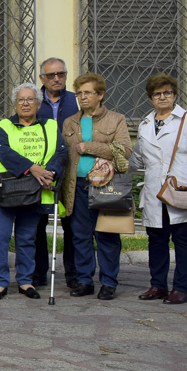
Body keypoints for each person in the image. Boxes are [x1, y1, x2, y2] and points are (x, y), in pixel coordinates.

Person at [0, 82, 66, 301]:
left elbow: (60, 153)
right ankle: (0, 283)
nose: (25, 103)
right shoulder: (4, 126)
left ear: (38, 104)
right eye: (21, 100)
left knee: (27, 238)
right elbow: (4, 153)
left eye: (30, 99)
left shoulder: (50, 125)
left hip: (34, 190)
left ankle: (25, 281)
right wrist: (34, 168)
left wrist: (50, 173)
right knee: (0, 238)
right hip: (4, 190)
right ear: (15, 104)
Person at [131, 73, 187, 305]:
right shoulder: (145, 123)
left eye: (167, 93)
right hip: (155, 188)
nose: (163, 97)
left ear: (174, 95)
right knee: (156, 238)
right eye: (157, 94)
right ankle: (158, 285)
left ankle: (182, 288)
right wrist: (117, 163)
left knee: (183, 238)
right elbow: (138, 158)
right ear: (150, 97)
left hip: (181, 187)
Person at [62, 74, 131, 301]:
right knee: (80, 236)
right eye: (79, 93)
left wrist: (91, 147)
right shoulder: (70, 122)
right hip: (77, 187)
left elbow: (124, 150)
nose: (82, 97)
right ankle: (84, 281)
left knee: (107, 236)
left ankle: (109, 283)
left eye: (87, 93)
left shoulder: (116, 119)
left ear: (100, 95)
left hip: (105, 186)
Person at [34, 57, 79, 288]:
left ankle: (73, 274)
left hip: (71, 170)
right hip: (40, 172)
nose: (56, 79)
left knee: (71, 223)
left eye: (60, 74)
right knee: (37, 224)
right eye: (51, 75)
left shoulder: (76, 100)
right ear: (42, 78)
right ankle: (38, 272)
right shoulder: (33, 100)